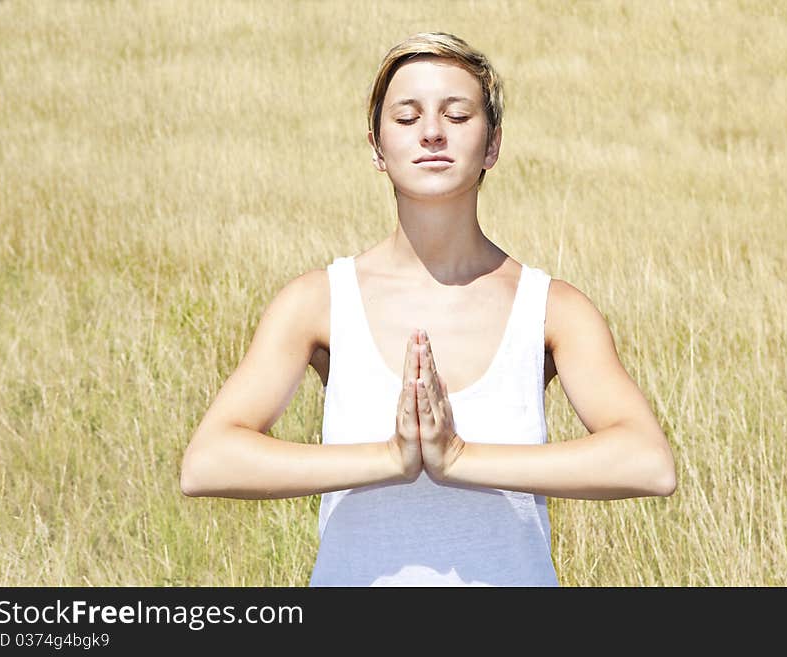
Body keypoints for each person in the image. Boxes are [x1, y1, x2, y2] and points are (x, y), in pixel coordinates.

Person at [180, 31, 677, 586]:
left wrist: (460, 459)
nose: (433, 133)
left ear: (492, 145)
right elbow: (207, 462)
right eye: (407, 116)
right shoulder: (317, 301)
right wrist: (391, 458)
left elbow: (648, 463)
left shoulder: (553, 309)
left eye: (458, 115)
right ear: (376, 146)